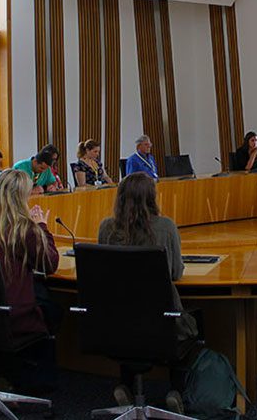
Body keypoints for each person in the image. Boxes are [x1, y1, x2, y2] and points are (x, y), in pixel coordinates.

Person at [98, 172, 198, 413]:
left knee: (130, 321)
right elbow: (175, 272)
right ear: (152, 198)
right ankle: (176, 391)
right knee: (184, 326)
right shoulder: (165, 226)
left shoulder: (106, 227)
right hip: (162, 323)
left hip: (116, 324)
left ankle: (125, 385)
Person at [0, 170, 60, 391]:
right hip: (11, 314)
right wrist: (42, 227)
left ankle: (1, 370)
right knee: (53, 309)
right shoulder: (22, 227)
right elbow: (49, 264)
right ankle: (30, 376)